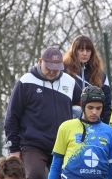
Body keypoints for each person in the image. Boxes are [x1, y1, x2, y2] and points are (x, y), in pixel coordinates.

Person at [4, 47, 81, 179]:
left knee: (66, 176)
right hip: (33, 145)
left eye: (56, 68)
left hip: (63, 144)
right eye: (48, 67)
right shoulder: (25, 82)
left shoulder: (70, 83)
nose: (52, 71)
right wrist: (14, 149)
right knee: (35, 175)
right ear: (40, 61)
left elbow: (84, 107)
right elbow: (12, 117)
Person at [48, 86, 112, 179]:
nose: (94, 112)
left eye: (99, 108)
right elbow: (56, 164)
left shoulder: (111, 132)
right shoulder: (66, 127)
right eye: (90, 107)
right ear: (83, 106)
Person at [64, 35, 112, 124]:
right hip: (69, 123)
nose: (85, 53)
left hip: (94, 124)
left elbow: (107, 105)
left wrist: (106, 126)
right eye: (81, 50)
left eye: (88, 50)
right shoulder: (64, 71)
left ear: (92, 53)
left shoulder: (101, 75)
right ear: (75, 52)